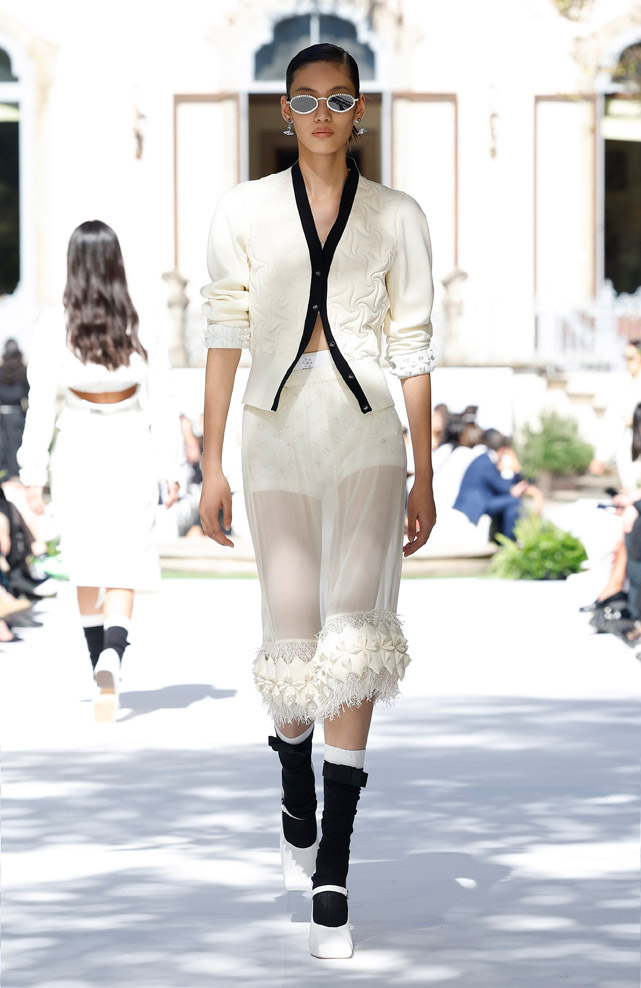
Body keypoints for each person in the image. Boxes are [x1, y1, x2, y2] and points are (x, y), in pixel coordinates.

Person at [199, 44, 436, 959]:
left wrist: (422, 465)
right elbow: (223, 329)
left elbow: (413, 342)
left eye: (340, 98)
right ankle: (292, 764)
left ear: (359, 110)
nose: (324, 113)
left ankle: (334, 862)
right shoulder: (243, 211)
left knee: (357, 632)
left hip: (368, 427)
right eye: (307, 99)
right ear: (284, 112)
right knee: (290, 636)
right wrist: (212, 462)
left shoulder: (397, 216)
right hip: (273, 431)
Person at [18, 221, 180, 720]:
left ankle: (100, 675)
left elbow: (41, 404)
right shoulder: (142, 322)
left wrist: (33, 472)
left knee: (86, 557)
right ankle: (113, 655)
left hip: (78, 450)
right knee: (127, 557)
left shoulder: (54, 325)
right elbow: (163, 400)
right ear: (115, 265)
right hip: (129, 444)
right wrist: (171, 465)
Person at [453, 429, 541, 540]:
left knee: (509, 502)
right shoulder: (487, 463)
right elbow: (506, 489)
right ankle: (509, 539)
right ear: (503, 450)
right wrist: (516, 469)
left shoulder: (484, 459)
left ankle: (504, 538)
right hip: (476, 504)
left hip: (479, 501)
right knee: (513, 501)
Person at [0, 339, 29, 480]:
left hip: (5, 417)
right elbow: (27, 394)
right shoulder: (24, 371)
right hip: (18, 416)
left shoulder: (1, 370)